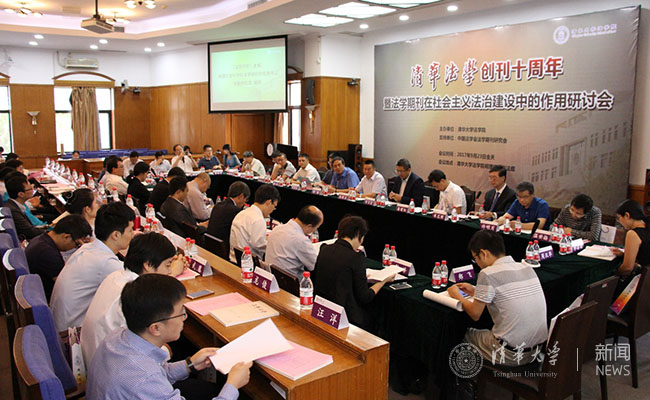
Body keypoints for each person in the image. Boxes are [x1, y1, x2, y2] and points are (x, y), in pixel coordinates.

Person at [87, 274, 252, 400]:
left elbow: (156, 373)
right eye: (181, 313)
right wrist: (232, 385)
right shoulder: (144, 378)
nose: (185, 318)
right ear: (156, 328)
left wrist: (190, 364)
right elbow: (149, 378)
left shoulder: (117, 337)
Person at [447, 230, 547, 366]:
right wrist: (475, 291)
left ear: (484, 253)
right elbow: (504, 293)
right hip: (536, 350)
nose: (477, 263)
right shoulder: (526, 267)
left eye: (475, 258)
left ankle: (459, 376)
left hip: (509, 353)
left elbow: (475, 314)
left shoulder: (487, 273)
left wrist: (457, 295)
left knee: (458, 333)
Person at [81, 232, 183, 365]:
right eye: (168, 265)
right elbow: (143, 345)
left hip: (95, 354)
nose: (169, 271)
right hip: (113, 364)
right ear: (148, 265)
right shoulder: (137, 296)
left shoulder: (116, 276)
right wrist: (166, 350)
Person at [50, 202, 135, 331]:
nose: (132, 235)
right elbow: (138, 286)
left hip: (61, 322)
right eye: (130, 230)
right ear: (116, 235)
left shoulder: (88, 248)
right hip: (72, 332)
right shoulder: (106, 263)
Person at [313, 216, 395, 331]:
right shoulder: (356, 258)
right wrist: (383, 280)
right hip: (346, 316)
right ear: (358, 235)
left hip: (322, 309)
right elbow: (365, 297)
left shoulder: (325, 249)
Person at [25, 215, 92, 301]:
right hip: (47, 299)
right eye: (77, 244)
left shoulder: (40, 240)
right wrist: (86, 253)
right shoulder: (48, 253)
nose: (75, 248)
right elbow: (70, 286)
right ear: (66, 237)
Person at [266, 206, 323, 279]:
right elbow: (314, 265)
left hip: (270, 276)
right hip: (288, 282)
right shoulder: (301, 240)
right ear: (309, 226)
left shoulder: (277, 228)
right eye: (316, 228)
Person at [229, 184, 280, 261]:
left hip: (233, 258)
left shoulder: (242, 213)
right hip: (246, 263)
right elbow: (259, 245)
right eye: (274, 206)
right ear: (269, 202)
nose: (273, 210)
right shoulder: (258, 219)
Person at [611, 200, 650, 277]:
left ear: (627, 215)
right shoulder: (647, 224)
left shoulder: (633, 234)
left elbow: (627, 268)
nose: (620, 222)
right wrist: (625, 254)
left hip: (643, 278)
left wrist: (612, 275)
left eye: (619, 218)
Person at [207, 181, 250, 249]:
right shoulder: (235, 211)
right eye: (246, 199)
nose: (244, 203)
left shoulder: (218, 205)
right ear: (241, 196)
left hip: (209, 243)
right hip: (223, 248)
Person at [5, 175, 45, 239]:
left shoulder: (14, 205)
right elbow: (31, 232)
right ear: (21, 194)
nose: (33, 190)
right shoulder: (13, 211)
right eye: (30, 189)